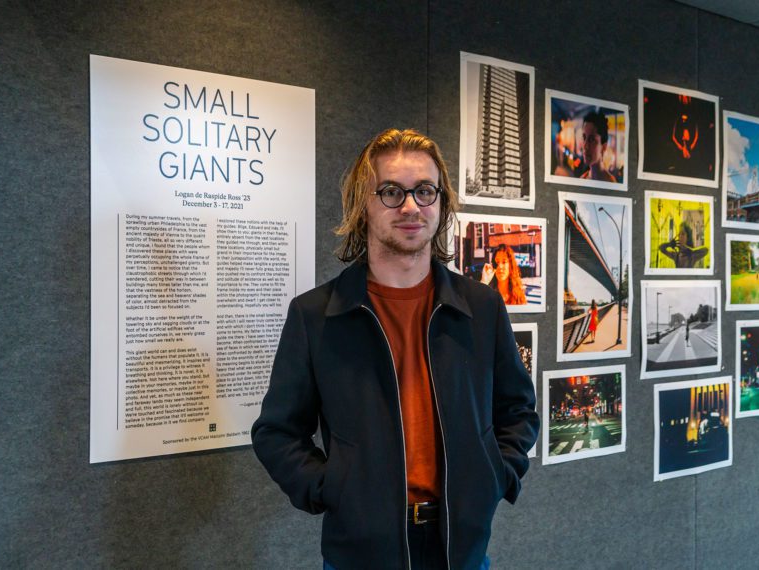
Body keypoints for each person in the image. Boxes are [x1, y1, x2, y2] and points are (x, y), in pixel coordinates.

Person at [251, 128, 539, 570]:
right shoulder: (316, 316)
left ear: (440, 203)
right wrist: (332, 488)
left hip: (461, 549)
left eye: (424, 191)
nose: (410, 206)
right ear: (362, 205)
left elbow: (518, 410)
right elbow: (276, 432)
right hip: (361, 555)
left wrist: (495, 475)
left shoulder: (481, 306)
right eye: (391, 191)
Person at [579, 111, 617, 182]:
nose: (585, 146)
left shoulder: (611, 183)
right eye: (584, 138)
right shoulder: (582, 178)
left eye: (592, 139)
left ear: (604, 147)